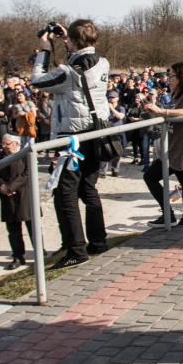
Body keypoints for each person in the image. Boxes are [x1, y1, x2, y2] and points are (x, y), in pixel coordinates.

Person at [31, 19, 110, 269]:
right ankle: (98, 242)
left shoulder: (68, 71)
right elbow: (81, 65)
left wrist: (45, 50)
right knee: (88, 190)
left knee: (65, 194)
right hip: (96, 134)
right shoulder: (102, 62)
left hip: (73, 139)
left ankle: (76, 250)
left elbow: (37, 80)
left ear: (74, 41)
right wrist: (69, 42)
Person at [141, 63, 183, 226]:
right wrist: (153, 111)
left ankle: (169, 215)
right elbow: (169, 116)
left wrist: (161, 111)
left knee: (150, 177)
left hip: (180, 148)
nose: (168, 79)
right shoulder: (176, 95)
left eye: (171, 75)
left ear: (182, 76)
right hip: (172, 145)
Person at [0, 135, 33, 270]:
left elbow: (27, 173)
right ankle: (18, 256)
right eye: (2, 144)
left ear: (16, 143)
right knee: (13, 230)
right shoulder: (0, 156)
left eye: (7, 144)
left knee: (32, 227)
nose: (3, 146)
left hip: (25, 195)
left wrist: (10, 187)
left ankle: (40, 253)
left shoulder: (26, 154)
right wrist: (2, 186)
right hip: (8, 198)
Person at [103, 91, 126, 177]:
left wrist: (112, 109)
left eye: (113, 97)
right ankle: (103, 171)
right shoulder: (105, 108)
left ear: (117, 98)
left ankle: (115, 170)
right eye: (110, 97)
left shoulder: (121, 108)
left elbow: (120, 117)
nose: (111, 99)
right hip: (107, 131)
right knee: (105, 150)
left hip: (117, 132)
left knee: (116, 152)